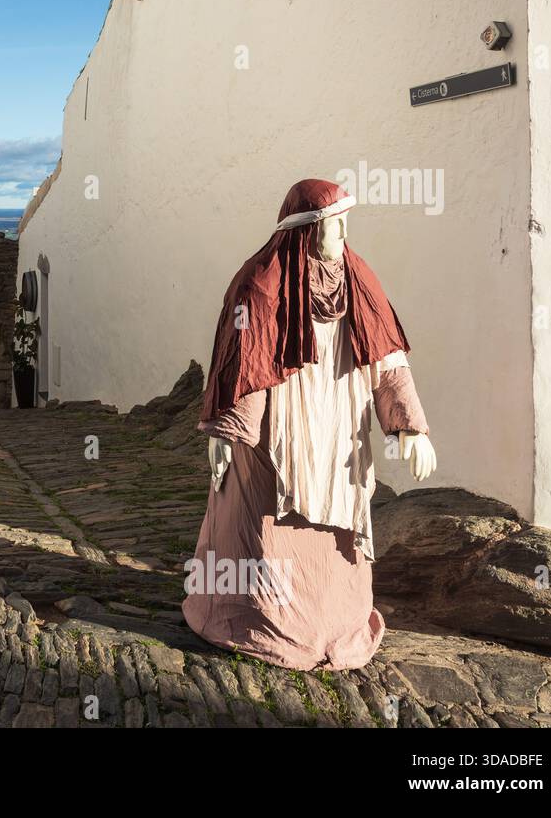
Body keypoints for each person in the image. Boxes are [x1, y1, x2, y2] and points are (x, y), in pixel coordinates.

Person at [181, 178, 436, 670]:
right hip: (274, 438)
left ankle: (338, 624)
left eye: (345, 221)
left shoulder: (358, 279)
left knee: (336, 533)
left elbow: (386, 354)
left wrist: (409, 426)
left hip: (342, 429)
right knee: (265, 526)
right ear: (308, 228)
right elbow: (246, 360)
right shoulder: (262, 281)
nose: (343, 231)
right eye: (333, 222)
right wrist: (229, 430)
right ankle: (258, 620)